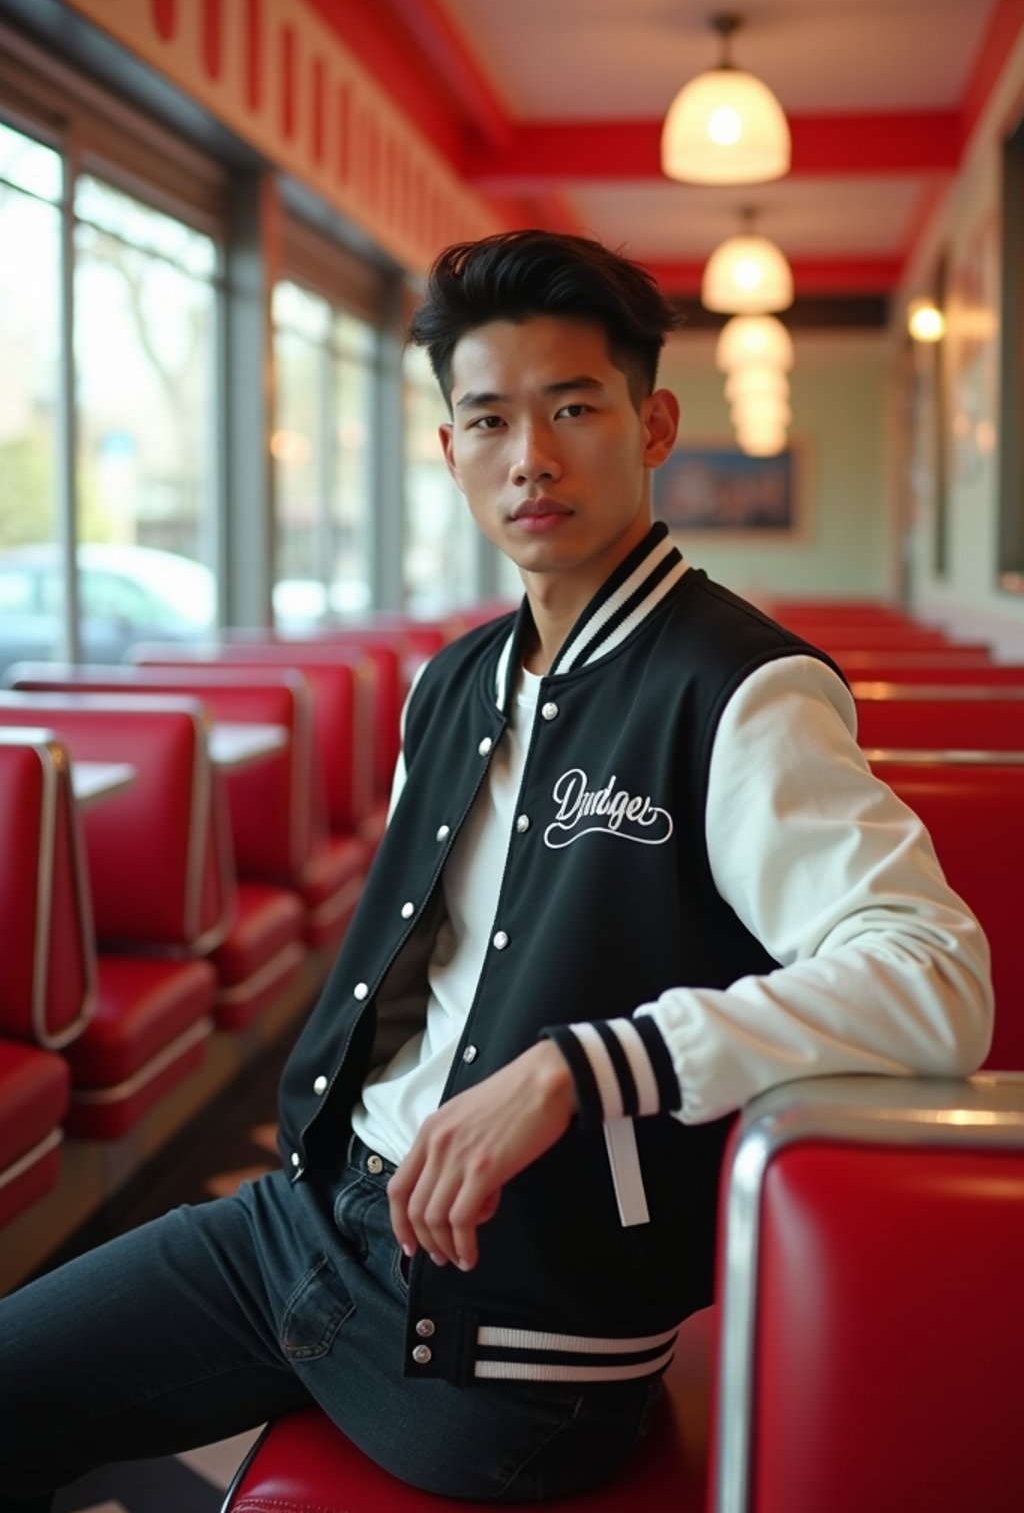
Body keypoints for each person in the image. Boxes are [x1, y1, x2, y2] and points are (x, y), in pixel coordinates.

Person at [0, 230, 993, 1509]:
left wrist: (580, 1069)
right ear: (450, 449)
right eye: (487, 419)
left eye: (573, 406)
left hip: (510, 1344)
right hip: (308, 1220)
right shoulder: (460, 677)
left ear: (652, 425)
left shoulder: (739, 692)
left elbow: (933, 977)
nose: (529, 455)